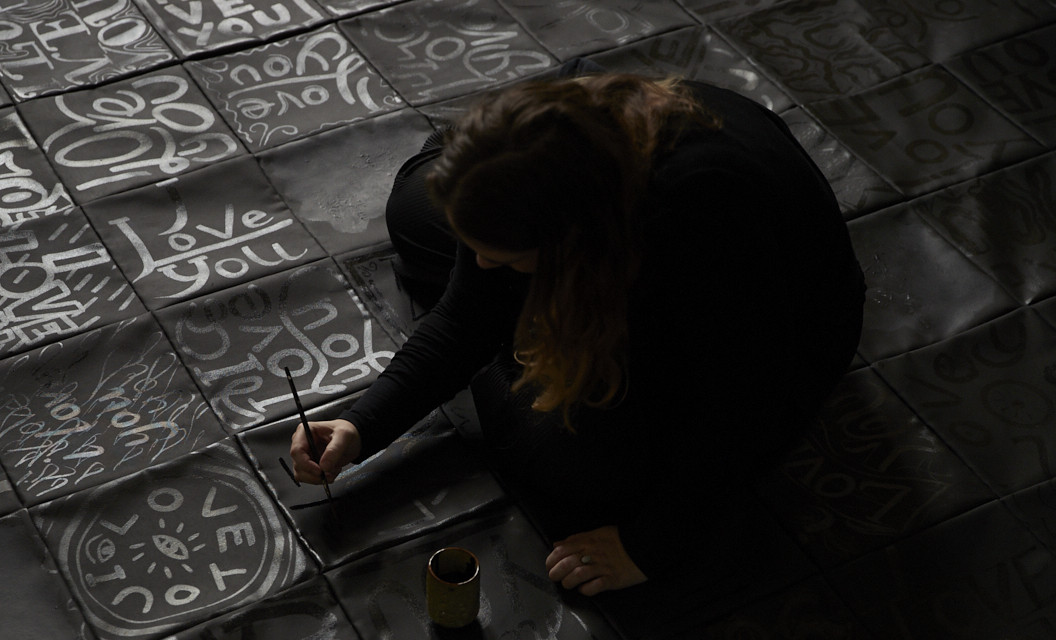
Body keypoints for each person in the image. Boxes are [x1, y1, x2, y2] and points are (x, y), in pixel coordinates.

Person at [289, 66, 865, 597]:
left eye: (504, 258)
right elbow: (467, 312)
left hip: (784, 332)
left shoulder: (699, 234)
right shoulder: (559, 160)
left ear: (576, 247)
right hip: (598, 241)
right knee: (415, 212)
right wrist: (362, 425)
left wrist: (649, 546)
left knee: (581, 472)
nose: (482, 266)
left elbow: (744, 408)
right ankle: (515, 278)